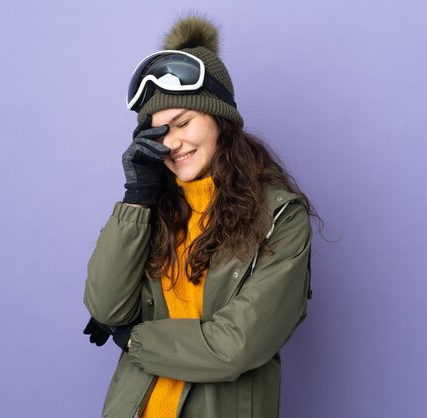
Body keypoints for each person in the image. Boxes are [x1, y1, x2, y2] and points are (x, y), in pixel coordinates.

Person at [83, 15, 317, 418]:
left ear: (219, 119)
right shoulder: (155, 206)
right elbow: (106, 309)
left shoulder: (281, 217)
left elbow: (234, 347)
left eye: (183, 122)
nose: (172, 143)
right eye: (158, 133)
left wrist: (132, 340)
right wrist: (137, 196)